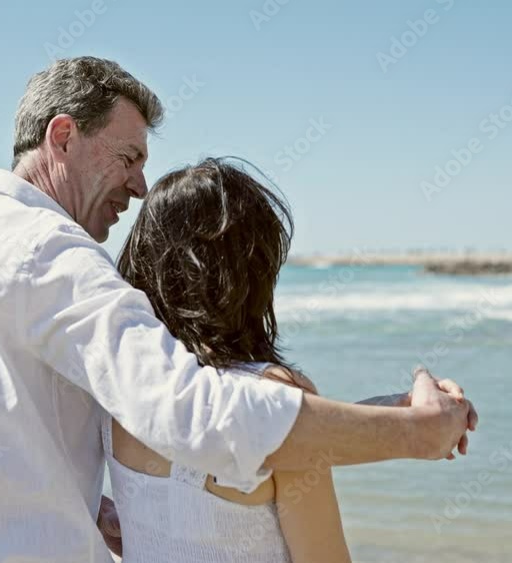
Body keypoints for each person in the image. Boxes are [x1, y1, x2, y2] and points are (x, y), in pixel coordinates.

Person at [0, 56, 476, 562]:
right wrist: (419, 433)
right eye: (128, 158)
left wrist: (85, 507)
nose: (138, 188)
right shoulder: (50, 254)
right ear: (62, 136)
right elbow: (196, 414)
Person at [107, 158, 466, 562]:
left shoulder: (123, 389)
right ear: (250, 273)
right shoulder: (272, 392)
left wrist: (393, 406)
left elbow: (235, 431)